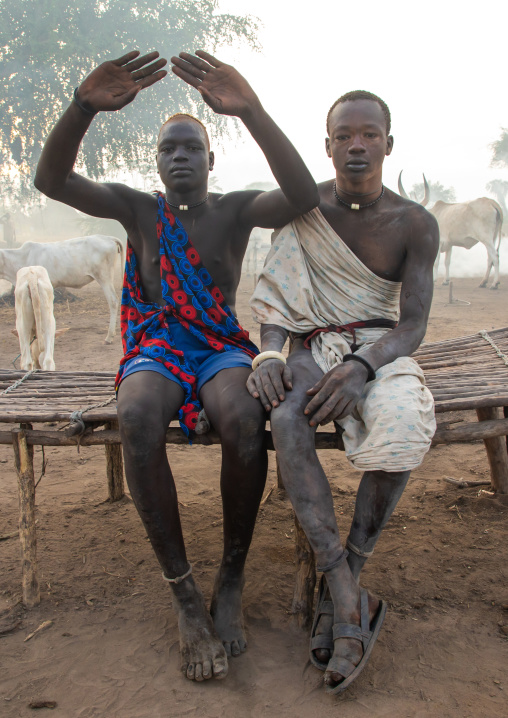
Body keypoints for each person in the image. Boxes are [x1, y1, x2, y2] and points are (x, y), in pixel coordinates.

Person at [34, 49, 319, 682]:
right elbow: (49, 182)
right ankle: (185, 593)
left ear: (211, 160)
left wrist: (252, 111)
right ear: (156, 163)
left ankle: (231, 576)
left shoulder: (237, 209)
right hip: (157, 345)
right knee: (135, 414)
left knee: (244, 415)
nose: (181, 156)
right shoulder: (138, 210)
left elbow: (301, 196)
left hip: (218, 345)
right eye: (169, 149)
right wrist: (81, 107)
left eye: (192, 147)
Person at [248, 90, 439, 694]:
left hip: (380, 350)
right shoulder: (302, 213)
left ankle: (346, 580)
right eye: (343, 136)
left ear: (388, 142)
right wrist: (272, 354)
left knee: (406, 423)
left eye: (368, 135)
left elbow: (411, 325)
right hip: (311, 346)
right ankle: (345, 594)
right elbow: (278, 303)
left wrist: (363, 365)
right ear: (326, 145)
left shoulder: (414, 223)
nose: (356, 145)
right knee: (286, 418)